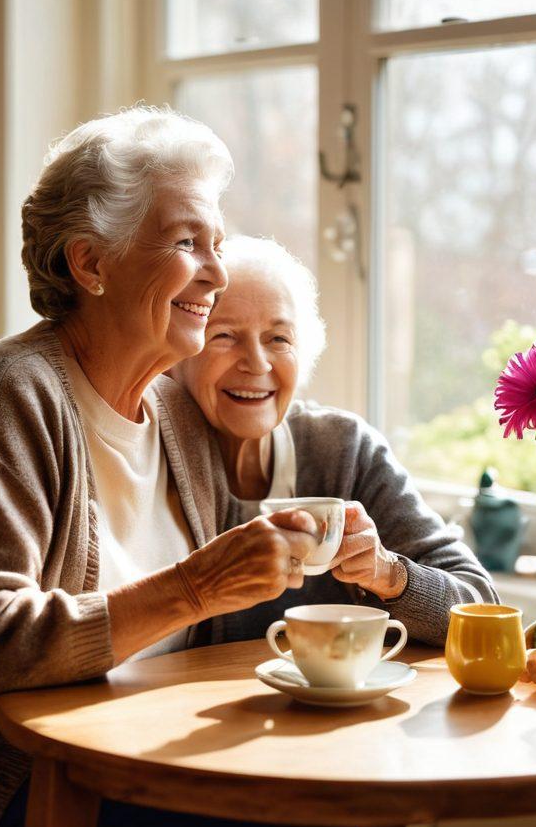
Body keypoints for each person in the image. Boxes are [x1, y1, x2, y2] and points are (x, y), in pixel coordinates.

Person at [0, 108, 364, 827]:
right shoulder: (6, 397)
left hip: (101, 742)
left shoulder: (176, 411)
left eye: (217, 245)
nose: (217, 274)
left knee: (318, 817)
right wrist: (193, 587)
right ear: (90, 264)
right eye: (189, 243)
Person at [172, 235, 497, 646]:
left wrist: (389, 573)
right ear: (180, 351)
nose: (256, 363)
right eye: (224, 336)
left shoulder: (344, 450)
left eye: (279, 339)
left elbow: (481, 607)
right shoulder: (154, 452)